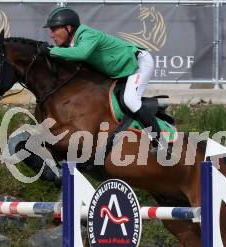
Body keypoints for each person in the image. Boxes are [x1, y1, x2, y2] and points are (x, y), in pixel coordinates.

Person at [39, 6, 164, 153]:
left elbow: (81, 54)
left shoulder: (86, 34)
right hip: (122, 70)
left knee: (130, 99)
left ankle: (160, 142)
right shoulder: (72, 42)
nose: (51, 34)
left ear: (68, 28)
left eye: (54, 29)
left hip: (138, 64)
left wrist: (50, 50)